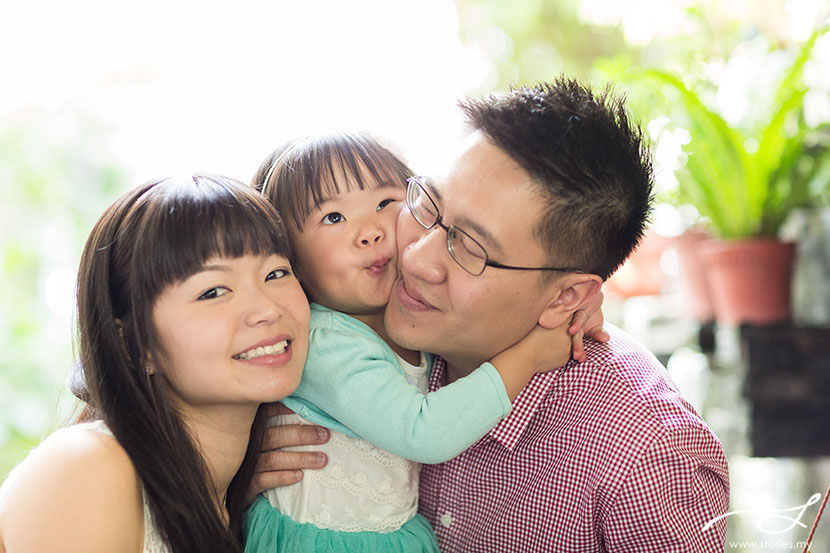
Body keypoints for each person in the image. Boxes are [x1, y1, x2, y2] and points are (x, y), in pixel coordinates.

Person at [253, 78, 731, 552]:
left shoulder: (644, 454)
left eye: (470, 247)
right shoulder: (370, 326)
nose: (417, 258)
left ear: (568, 297)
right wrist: (236, 480)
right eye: (427, 205)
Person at [243, 132, 594, 552]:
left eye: (384, 203)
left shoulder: (410, 320)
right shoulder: (322, 341)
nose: (369, 232)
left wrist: (569, 306)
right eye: (333, 218)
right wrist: (530, 355)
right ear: (290, 258)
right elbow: (423, 432)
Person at [0, 175, 311, 553]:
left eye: (275, 273)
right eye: (213, 291)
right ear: (134, 345)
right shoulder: (89, 467)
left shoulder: (238, 507)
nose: (267, 309)